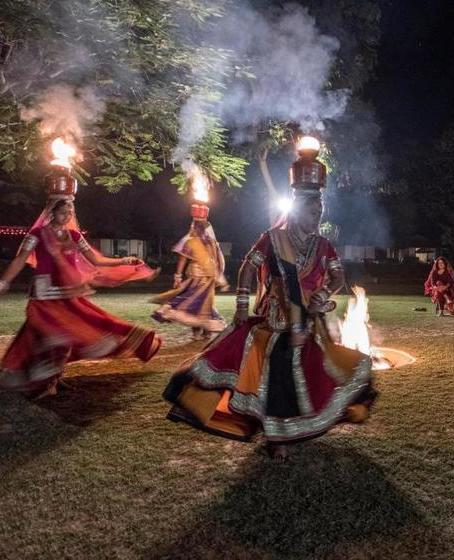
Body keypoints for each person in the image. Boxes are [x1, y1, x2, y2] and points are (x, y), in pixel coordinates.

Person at [163, 151, 376, 463]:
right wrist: (241, 306)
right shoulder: (273, 239)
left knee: (318, 377)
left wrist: (323, 293)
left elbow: (338, 277)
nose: (317, 217)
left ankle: (290, 431)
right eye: (312, 211)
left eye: (320, 211)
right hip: (275, 323)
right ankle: (277, 440)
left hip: (307, 324)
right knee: (276, 376)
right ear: (298, 211)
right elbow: (247, 268)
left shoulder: (324, 245)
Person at [0, 198, 161, 398]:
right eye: (62, 212)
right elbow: (20, 259)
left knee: (73, 333)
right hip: (45, 295)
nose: (67, 216)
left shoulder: (74, 236)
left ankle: (51, 380)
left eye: (70, 213)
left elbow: (96, 260)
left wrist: (124, 260)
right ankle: (43, 379)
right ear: (51, 213)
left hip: (69, 295)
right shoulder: (37, 234)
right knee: (46, 334)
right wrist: (4, 282)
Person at [151, 219, 229, 339]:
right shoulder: (211, 243)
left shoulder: (194, 242)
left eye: (192, 227)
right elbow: (218, 262)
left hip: (199, 280)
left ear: (195, 228)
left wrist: (178, 277)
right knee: (201, 305)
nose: (191, 229)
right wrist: (220, 279)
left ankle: (201, 332)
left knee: (193, 304)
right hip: (205, 280)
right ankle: (204, 331)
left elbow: (183, 260)